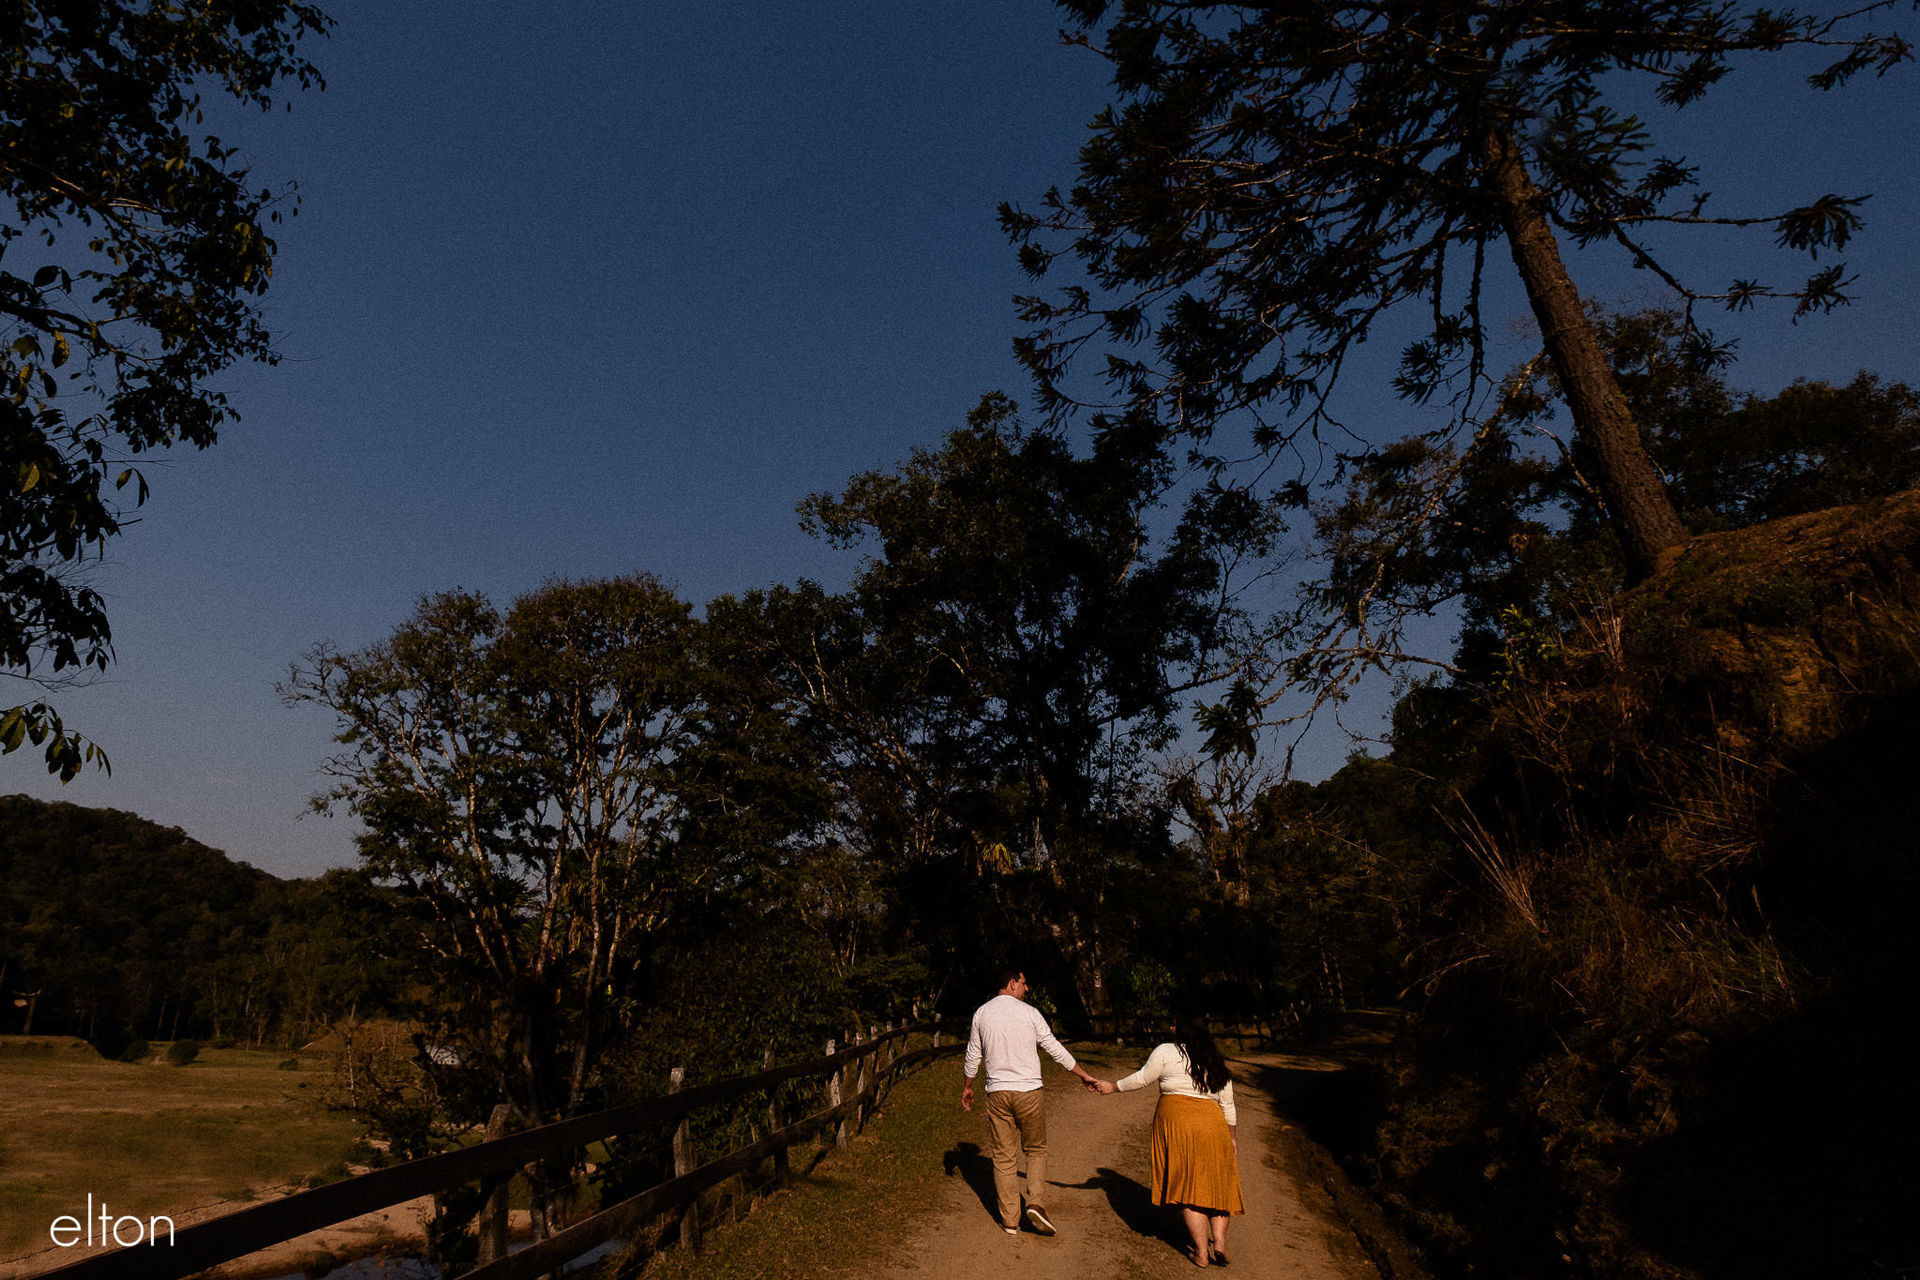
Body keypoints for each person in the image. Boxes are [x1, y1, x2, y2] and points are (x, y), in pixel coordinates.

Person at [1089, 1011, 1245, 1267]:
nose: (1171, 1028)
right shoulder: (1215, 1060)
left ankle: (1201, 1252)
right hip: (1213, 1123)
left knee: (1187, 1185)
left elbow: (1142, 1078)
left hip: (1178, 1121)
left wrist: (1112, 1086)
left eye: (1173, 1024)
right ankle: (1219, 1243)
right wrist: (1232, 1137)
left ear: (1178, 1029)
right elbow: (1228, 1103)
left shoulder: (1166, 1051)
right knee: (1218, 1185)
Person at [961, 967, 1100, 1236]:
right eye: (1024, 983)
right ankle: (1035, 1202)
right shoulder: (1030, 1014)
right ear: (1012, 983)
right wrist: (1082, 1074)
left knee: (1003, 1157)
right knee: (1035, 1149)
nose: (1026, 989)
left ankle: (1010, 1221)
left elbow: (973, 1055)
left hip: (997, 1093)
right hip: (1029, 1093)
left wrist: (968, 1086)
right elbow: (1053, 1047)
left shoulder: (982, 1013)